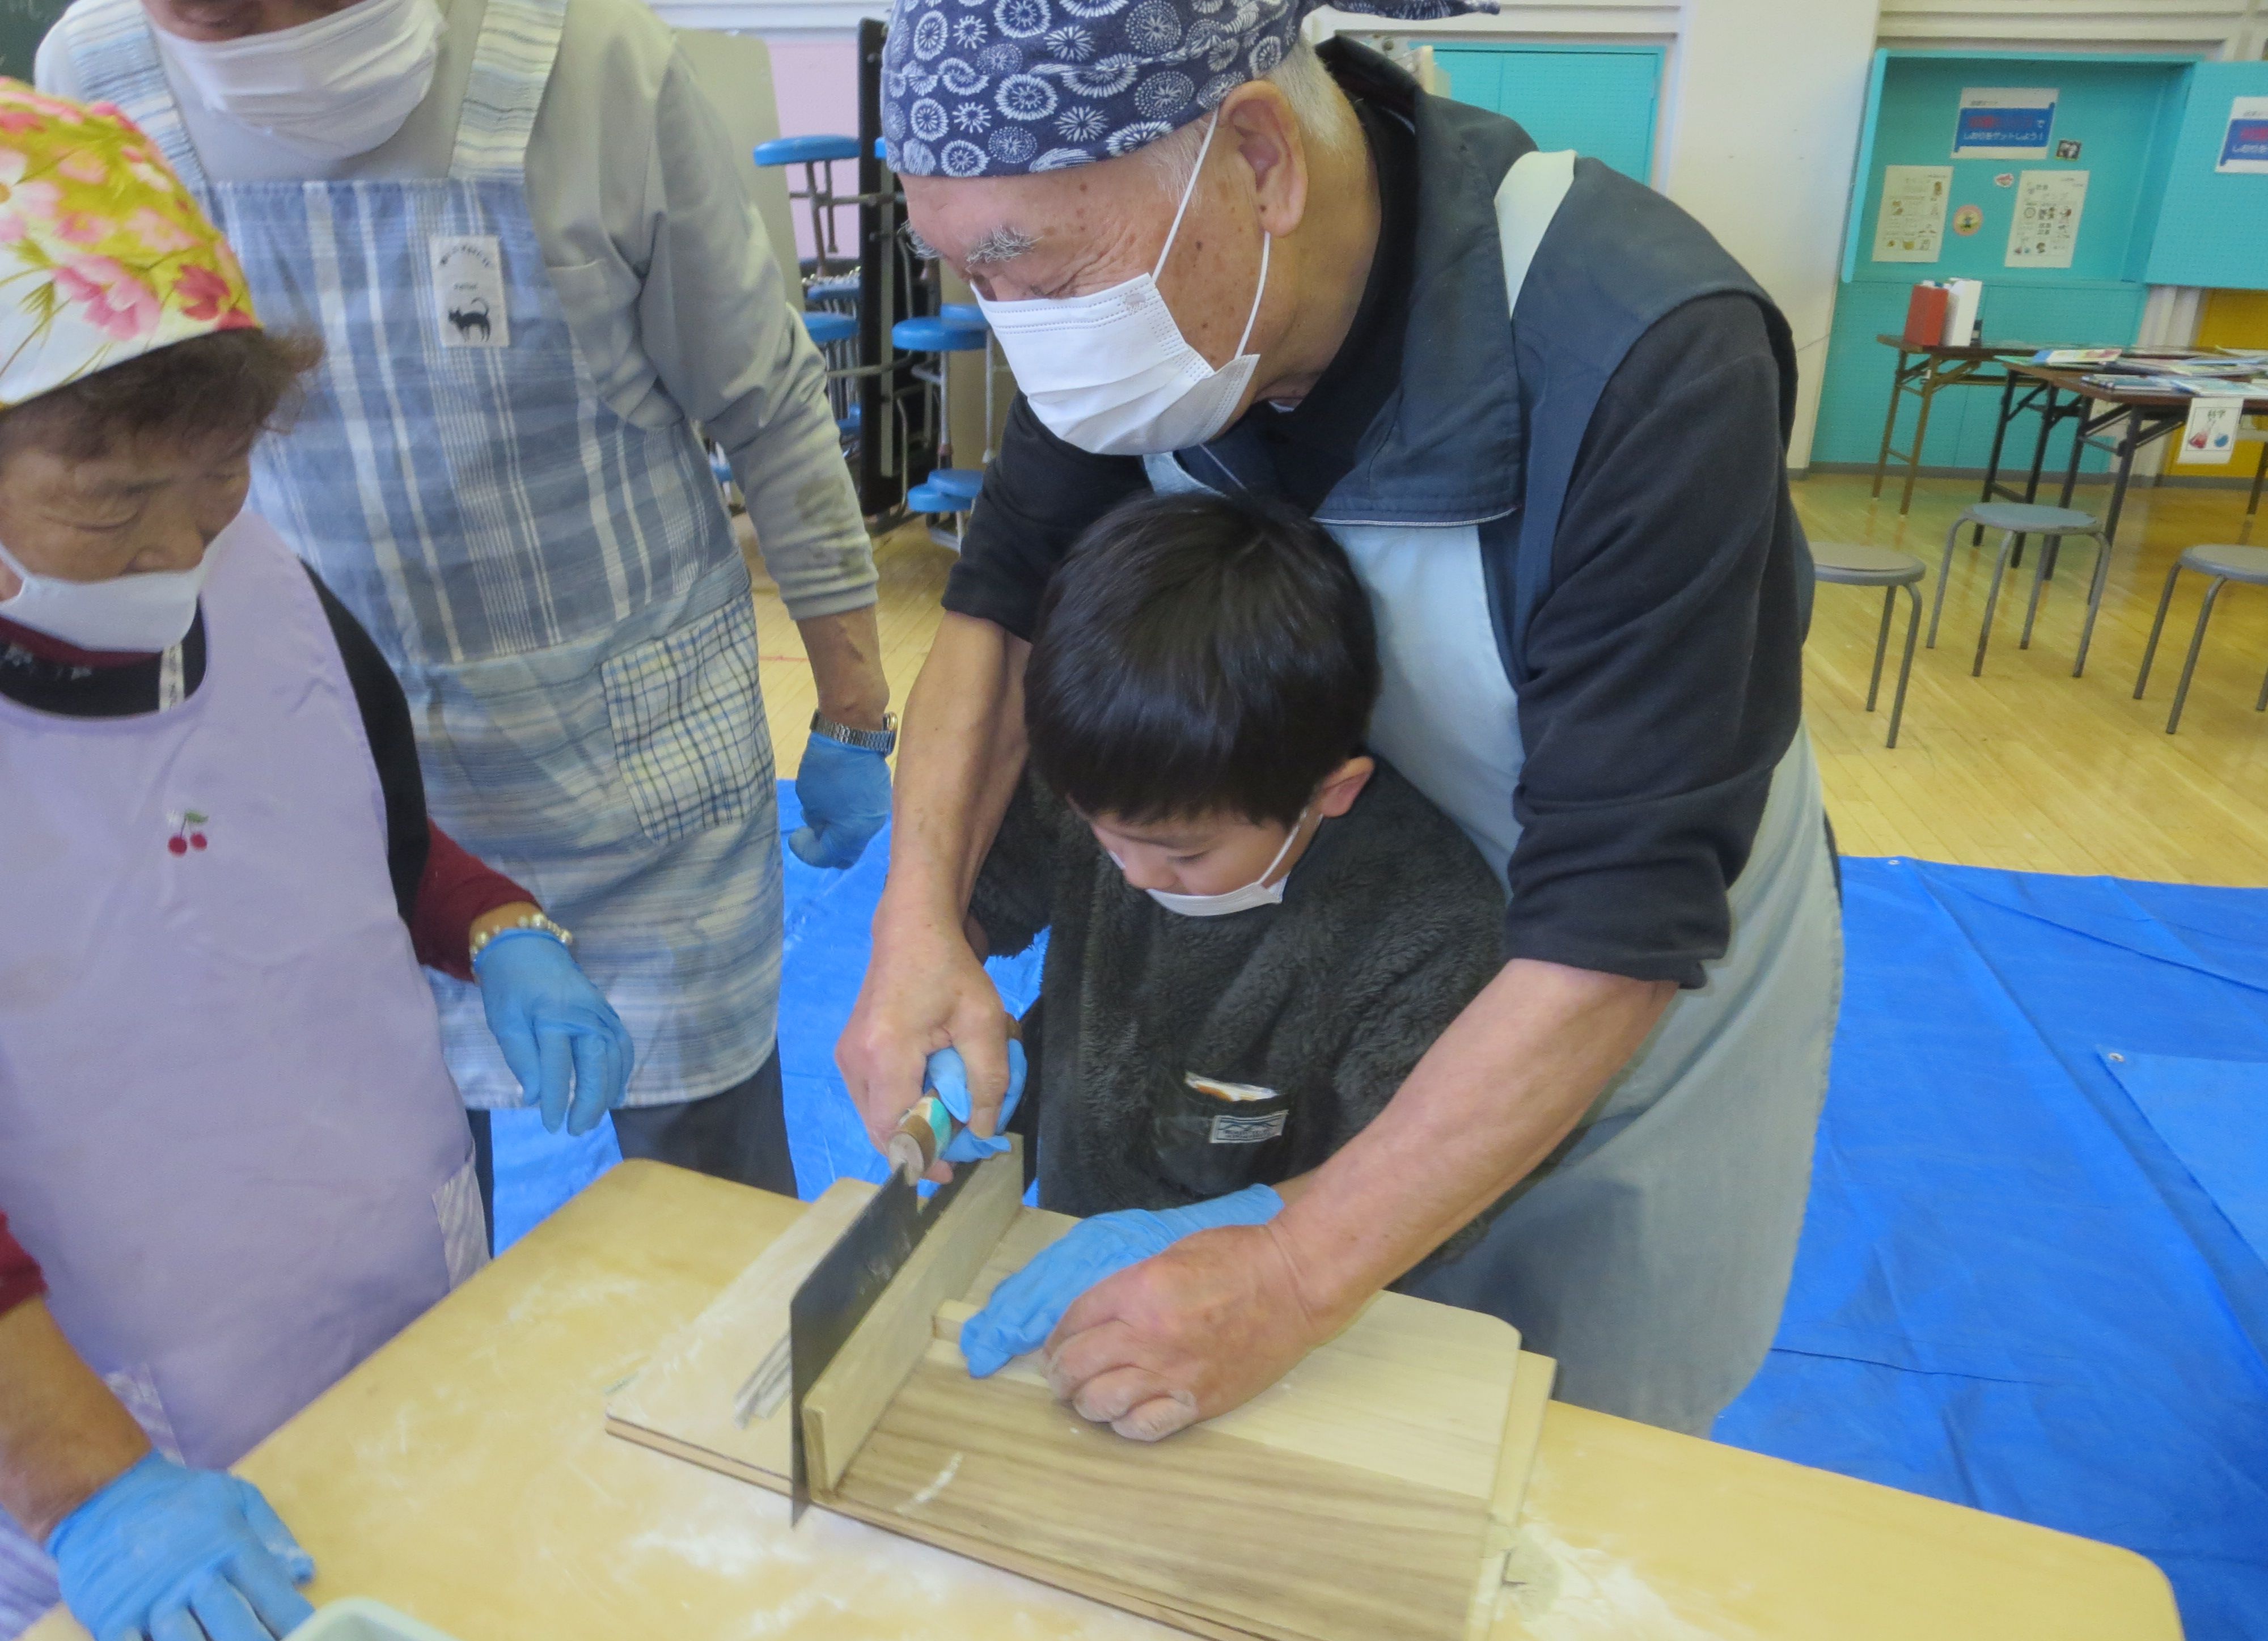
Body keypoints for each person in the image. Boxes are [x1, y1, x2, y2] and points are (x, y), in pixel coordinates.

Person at [839, 0, 1843, 1440]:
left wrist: (1300, 1264)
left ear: (1257, 158)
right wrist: (917, 925)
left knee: (1533, 1448)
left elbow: (1617, 920)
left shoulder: (1644, 359)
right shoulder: (1142, 299)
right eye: (971, 272)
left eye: (1032, 263)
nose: (1023, 326)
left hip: (1614, 968)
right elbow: (997, 615)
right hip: (1324, 879)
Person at [40, 0, 896, 1215]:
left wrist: (854, 709)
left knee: (713, 1192)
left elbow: (764, 400)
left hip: (635, 768)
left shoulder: (591, 60)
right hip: (344, 765)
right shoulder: (97, 82)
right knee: (410, 1184)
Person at [0, 86, 629, 1641]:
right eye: (110, 502)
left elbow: (359, 821)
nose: (185, 534)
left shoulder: (258, 572)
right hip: (112, 1411)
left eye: (214, 472)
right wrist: (95, 1493)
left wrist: (501, 932)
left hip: (382, 1272)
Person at [945, 493, 1507, 1430]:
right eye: (1100, 833)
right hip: (1072, 1243)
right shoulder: (1120, 781)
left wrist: (1247, 1245)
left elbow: (1429, 1182)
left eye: (1181, 854)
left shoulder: (1429, 926)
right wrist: (940, 991)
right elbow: (969, 910)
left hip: (1301, 1336)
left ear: (1332, 792)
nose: (1127, 871)